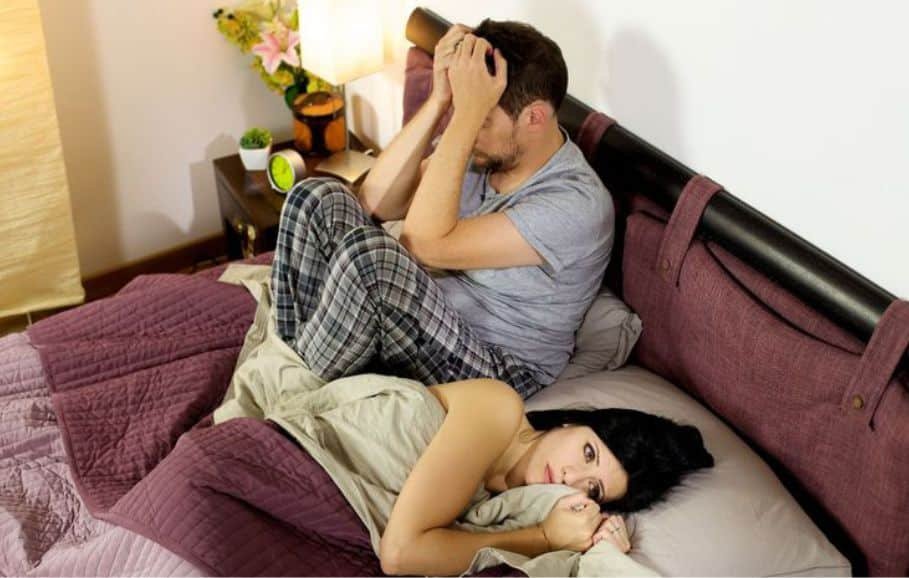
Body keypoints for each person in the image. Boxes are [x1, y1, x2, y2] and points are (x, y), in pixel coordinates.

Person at [270, 18, 613, 399]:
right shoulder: (485, 152)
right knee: (316, 197)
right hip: (431, 322)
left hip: (497, 366)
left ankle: (293, 387)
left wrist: (466, 118)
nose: (468, 130)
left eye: (481, 120)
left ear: (534, 117)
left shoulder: (576, 203)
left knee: (370, 259)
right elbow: (377, 202)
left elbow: (421, 244)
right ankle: (295, 363)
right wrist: (439, 100)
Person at [378, 378, 715, 576]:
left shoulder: (520, 508)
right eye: (588, 453)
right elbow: (399, 554)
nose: (571, 478)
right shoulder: (499, 408)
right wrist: (542, 537)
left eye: (593, 489)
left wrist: (607, 550)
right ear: (571, 423)